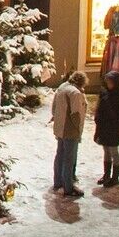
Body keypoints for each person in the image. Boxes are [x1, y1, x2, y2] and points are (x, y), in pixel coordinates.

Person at [50, 69, 86, 198]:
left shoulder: (62, 87)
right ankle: (68, 187)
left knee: (60, 155)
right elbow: (76, 114)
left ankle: (57, 181)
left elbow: (54, 107)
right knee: (69, 158)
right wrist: (78, 130)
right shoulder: (75, 93)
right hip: (70, 129)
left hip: (59, 127)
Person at [93, 70, 119, 189]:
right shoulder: (104, 94)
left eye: (110, 81)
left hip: (114, 128)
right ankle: (106, 175)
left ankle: (115, 178)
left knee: (114, 151)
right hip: (104, 127)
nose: (108, 83)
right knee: (106, 151)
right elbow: (99, 110)